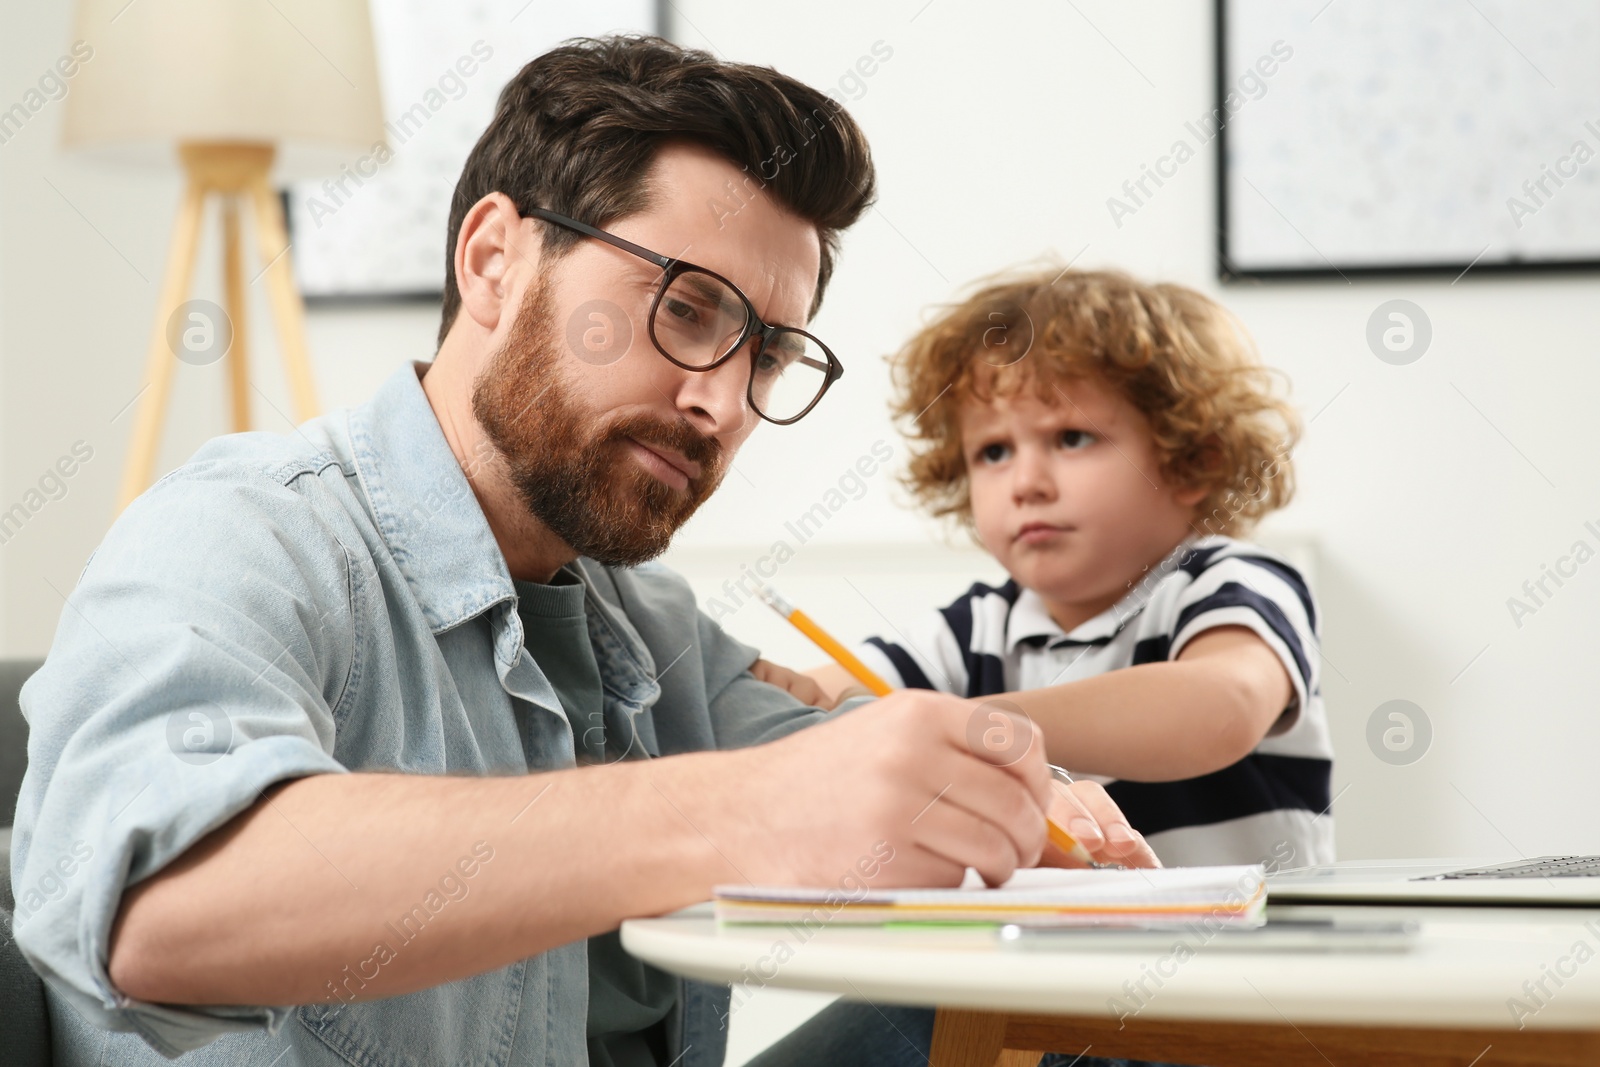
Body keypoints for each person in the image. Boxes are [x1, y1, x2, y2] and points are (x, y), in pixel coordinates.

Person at [9, 37, 1156, 1067]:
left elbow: (832, 770)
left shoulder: (643, 621)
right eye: (687, 308)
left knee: (1084, 1035)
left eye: (766, 354)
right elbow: (154, 907)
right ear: (495, 260)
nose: (720, 399)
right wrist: (738, 812)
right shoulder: (243, 532)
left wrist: (1005, 800)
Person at [805, 268, 1334, 870]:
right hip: (1054, 959)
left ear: (1191, 462)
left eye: (1072, 438)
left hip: (1243, 954)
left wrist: (973, 725)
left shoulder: (1232, 583)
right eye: (994, 452)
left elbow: (1222, 709)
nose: (1026, 484)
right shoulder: (975, 628)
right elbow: (816, 701)